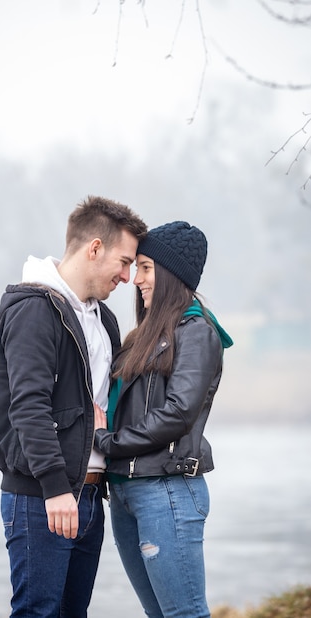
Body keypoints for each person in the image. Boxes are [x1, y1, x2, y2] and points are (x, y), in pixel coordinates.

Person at [0, 195, 147, 618]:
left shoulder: (103, 319)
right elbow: (28, 407)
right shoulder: (34, 311)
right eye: (125, 261)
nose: (128, 276)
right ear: (94, 248)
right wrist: (56, 488)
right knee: (37, 613)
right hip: (45, 496)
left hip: (91, 494)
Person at [94, 221, 233, 618]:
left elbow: (177, 413)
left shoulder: (197, 333)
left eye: (146, 268)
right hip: (125, 491)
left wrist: (108, 442)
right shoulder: (143, 336)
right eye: (137, 268)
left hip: (166, 491)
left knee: (184, 614)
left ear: (172, 275)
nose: (135, 279)